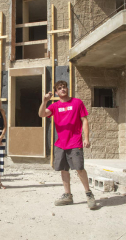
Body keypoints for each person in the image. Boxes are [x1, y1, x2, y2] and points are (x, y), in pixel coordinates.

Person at [38, 80, 96, 209]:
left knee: (79, 168)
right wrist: (45, 101)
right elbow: (41, 114)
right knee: (64, 170)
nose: (62, 89)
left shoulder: (77, 102)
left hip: (75, 142)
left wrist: (86, 138)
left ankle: (89, 194)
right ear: (57, 92)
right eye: (59, 88)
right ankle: (67, 195)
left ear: (67, 89)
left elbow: (84, 120)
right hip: (60, 144)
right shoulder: (55, 106)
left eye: (64, 87)